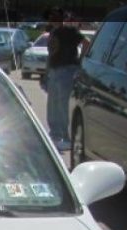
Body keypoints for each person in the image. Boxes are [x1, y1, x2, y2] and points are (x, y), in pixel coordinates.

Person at [45, 9, 89, 151]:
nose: (52, 21)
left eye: (54, 18)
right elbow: (51, 53)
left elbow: (86, 43)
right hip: (54, 70)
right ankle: (54, 133)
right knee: (53, 103)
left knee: (62, 104)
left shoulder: (69, 31)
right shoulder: (53, 32)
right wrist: (46, 73)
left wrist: (79, 62)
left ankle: (64, 135)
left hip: (67, 70)